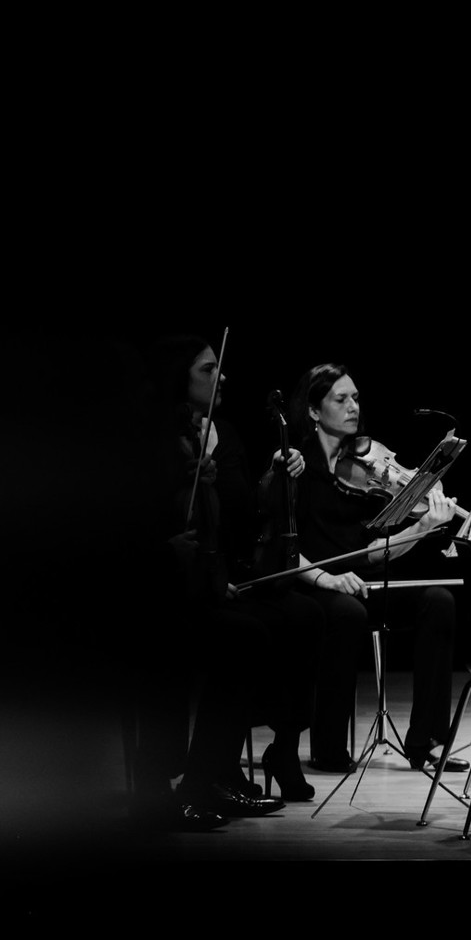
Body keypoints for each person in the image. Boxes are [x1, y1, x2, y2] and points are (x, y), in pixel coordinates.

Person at [126, 335, 321, 822]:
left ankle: (238, 765)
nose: (222, 376)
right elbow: (128, 523)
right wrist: (168, 549)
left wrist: (274, 477)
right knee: (244, 636)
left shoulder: (224, 434)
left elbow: (245, 515)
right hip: (157, 590)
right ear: (179, 377)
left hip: (214, 579)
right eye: (208, 369)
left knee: (299, 616)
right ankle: (191, 781)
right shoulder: (152, 441)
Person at [257, 364, 462, 775]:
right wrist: (327, 579)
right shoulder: (295, 465)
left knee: (438, 600)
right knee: (346, 614)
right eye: (341, 399)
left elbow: (373, 554)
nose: (353, 407)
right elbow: (281, 545)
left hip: (358, 580)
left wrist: (422, 527)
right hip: (312, 583)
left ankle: (426, 740)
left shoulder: (365, 467)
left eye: (355, 397)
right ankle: (329, 747)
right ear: (314, 411)